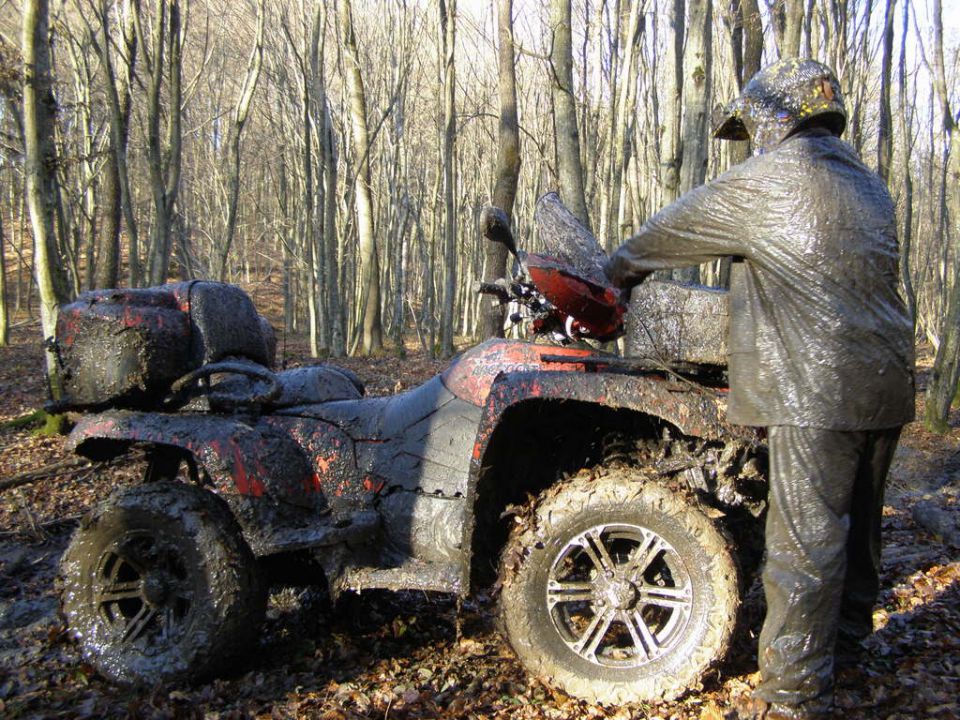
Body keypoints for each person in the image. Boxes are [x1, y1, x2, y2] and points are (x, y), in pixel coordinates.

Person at [604, 58, 915, 720]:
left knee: (807, 541)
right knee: (858, 528)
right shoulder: (870, 187)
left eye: (751, 128)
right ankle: (851, 647)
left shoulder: (764, 183)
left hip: (817, 388)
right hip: (886, 382)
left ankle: (793, 694)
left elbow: (661, 239)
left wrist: (612, 273)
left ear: (775, 121)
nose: (750, 141)